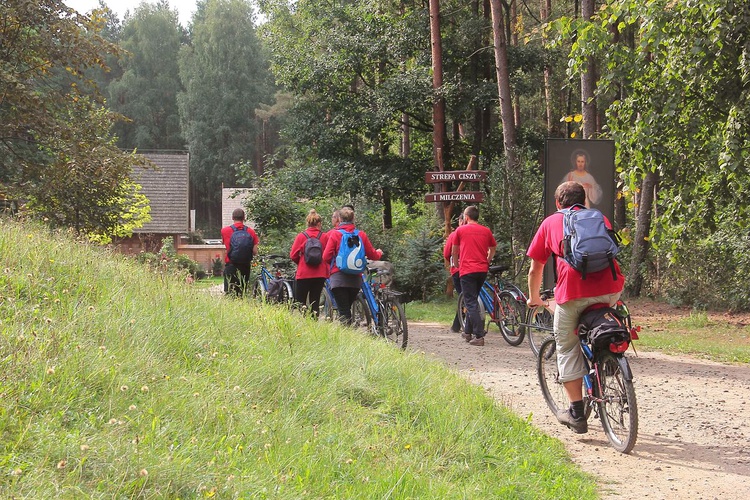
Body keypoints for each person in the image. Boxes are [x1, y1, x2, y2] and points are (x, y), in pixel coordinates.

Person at [526, 181, 625, 434]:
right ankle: (608, 355)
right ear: (584, 200)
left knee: (567, 346)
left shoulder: (550, 222)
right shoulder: (599, 217)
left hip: (572, 293)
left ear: (558, 203)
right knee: (605, 310)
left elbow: (536, 267)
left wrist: (534, 298)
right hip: (611, 288)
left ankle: (576, 414)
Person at [322, 206, 383, 325]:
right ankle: (348, 334)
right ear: (353, 218)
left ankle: (345, 337)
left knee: (344, 311)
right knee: (346, 309)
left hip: (338, 278)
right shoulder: (361, 235)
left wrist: (335, 263)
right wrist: (379, 253)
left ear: (339, 218)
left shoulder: (335, 234)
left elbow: (326, 257)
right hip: (355, 280)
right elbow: (372, 254)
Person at [451, 205, 496, 346]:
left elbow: (454, 251)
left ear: (466, 217)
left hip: (467, 270)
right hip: (482, 270)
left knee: (470, 302)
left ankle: (479, 335)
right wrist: (487, 260)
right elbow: (493, 247)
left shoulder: (460, 230)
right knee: (473, 299)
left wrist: (457, 264)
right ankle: (468, 332)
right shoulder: (486, 231)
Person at [289, 209, 329, 318]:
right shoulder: (324, 237)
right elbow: (328, 254)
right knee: (315, 301)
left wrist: (301, 262)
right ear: (319, 224)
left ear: (308, 223)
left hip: (304, 274)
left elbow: (293, 255)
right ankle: (313, 323)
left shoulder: (301, 236)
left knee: (300, 302)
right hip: (320, 274)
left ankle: (303, 321)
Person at [221, 208, 259, 297]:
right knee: (241, 292)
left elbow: (226, 247)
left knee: (230, 293)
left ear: (232, 217)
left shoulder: (225, 231)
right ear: (244, 218)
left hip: (231, 265)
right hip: (245, 266)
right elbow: (254, 251)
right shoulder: (251, 232)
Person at [443, 212, 465, 334]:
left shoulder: (454, 235)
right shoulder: (478, 231)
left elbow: (447, 253)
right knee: (468, 297)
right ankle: (457, 325)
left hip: (459, 269)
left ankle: (458, 325)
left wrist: (454, 262)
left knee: (464, 297)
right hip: (478, 268)